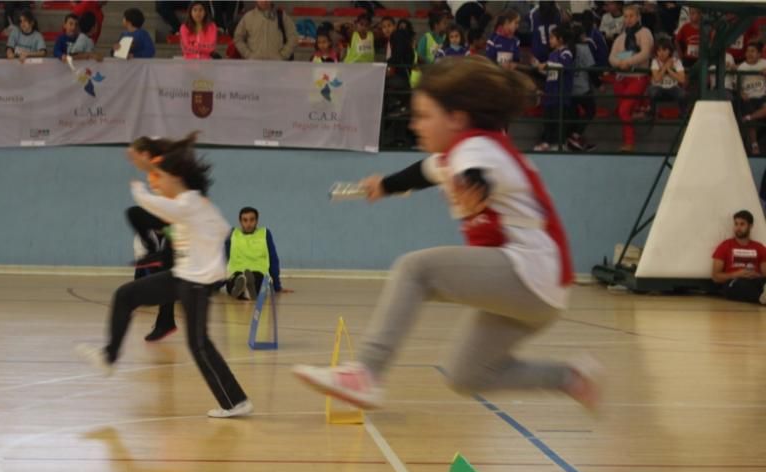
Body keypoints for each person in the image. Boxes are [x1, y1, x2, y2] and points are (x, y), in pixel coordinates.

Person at [292, 56, 600, 413]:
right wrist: (385, 185)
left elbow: (476, 172)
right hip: (540, 295)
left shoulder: (476, 148)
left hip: (529, 271)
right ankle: (571, 378)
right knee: (466, 375)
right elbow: (424, 172)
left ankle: (366, 372)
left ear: (457, 118)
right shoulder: (458, 152)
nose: (414, 125)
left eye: (424, 116)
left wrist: (474, 187)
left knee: (416, 270)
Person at [77, 134, 253, 419]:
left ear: (176, 177)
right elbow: (218, 227)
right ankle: (109, 357)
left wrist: (140, 179)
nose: (155, 182)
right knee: (126, 294)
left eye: (160, 177)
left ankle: (236, 401)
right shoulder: (190, 202)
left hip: (196, 282)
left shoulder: (189, 204)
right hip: (181, 276)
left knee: (199, 345)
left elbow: (154, 204)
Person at [125, 135, 178, 342]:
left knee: (134, 213)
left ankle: (168, 321)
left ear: (145, 154)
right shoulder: (155, 171)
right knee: (169, 272)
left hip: (181, 223)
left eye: (134, 157)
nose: (133, 162)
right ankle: (166, 321)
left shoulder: (161, 167)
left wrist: (139, 192)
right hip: (171, 222)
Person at [609, 4, 653, 152]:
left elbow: (645, 53)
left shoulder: (645, 33)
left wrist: (627, 62)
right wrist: (621, 63)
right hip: (621, 78)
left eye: (631, 16)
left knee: (624, 110)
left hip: (638, 77)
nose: (628, 19)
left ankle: (629, 142)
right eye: (626, 16)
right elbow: (611, 57)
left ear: (638, 17)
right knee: (624, 111)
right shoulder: (621, 37)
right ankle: (637, 113)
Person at [224, 207, 284, 300]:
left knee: (257, 279)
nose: (248, 223)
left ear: (257, 221)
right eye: (245, 220)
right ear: (240, 221)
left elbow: (273, 259)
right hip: (236, 272)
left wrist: (277, 286)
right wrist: (216, 284)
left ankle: (245, 289)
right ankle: (245, 288)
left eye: (252, 220)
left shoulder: (264, 234)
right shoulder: (232, 234)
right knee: (234, 279)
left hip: (258, 272)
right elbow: (224, 259)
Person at [711, 210, 766, 305]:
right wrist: (736, 274)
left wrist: (757, 275)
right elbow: (715, 276)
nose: (738, 228)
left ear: (750, 226)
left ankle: (762, 296)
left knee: (760, 283)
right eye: (736, 224)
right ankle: (762, 297)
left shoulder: (759, 247)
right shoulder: (725, 246)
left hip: (755, 281)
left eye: (742, 224)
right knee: (741, 285)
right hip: (734, 281)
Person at [535, 24, 574, 152]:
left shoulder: (566, 53)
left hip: (561, 94)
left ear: (560, 39)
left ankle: (560, 143)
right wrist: (540, 68)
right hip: (550, 94)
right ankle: (547, 142)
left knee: (559, 120)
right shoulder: (552, 54)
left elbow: (562, 66)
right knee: (548, 120)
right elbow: (550, 72)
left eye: (552, 38)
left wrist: (546, 65)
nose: (550, 40)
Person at [567, 19, 598, 152]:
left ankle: (575, 141)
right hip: (583, 88)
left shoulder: (567, 48)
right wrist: (599, 83)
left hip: (569, 88)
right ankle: (575, 136)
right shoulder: (584, 48)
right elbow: (591, 68)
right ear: (581, 36)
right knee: (591, 110)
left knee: (575, 115)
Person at [232, 1, 297, 61]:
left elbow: (293, 37)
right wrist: (248, 55)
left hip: (276, 65)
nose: (264, 1)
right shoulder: (248, 17)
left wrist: (283, 55)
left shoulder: (282, 16)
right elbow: (238, 38)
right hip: (254, 66)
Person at [738, 42, 766, 154]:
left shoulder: (764, 63)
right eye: (748, 51)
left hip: (762, 96)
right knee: (747, 110)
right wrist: (741, 93)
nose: (749, 54)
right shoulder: (742, 67)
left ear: (759, 54)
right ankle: (754, 145)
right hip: (748, 98)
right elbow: (737, 86)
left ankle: (750, 117)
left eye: (753, 51)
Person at [648, 36, 687, 117]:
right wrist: (666, 66)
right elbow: (657, 79)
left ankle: (683, 115)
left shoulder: (676, 61)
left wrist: (669, 70)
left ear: (669, 50)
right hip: (658, 87)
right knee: (652, 91)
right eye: (659, 50)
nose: (661, 53)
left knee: (682, 94)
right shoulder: (655, 61)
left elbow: (682, 79)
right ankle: (652, 114)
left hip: (673, 87)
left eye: (664, 50)